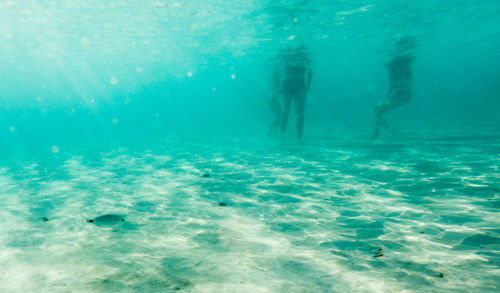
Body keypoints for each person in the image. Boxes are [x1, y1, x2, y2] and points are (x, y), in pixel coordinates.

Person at [371, 37, 416, 140]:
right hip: (404, 95)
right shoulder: (404, 68)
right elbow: (404, 83)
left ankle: (388, 130)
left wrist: (389, 96)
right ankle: (378, 130)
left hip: (400, 95)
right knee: (377, 110)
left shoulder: (397, 68)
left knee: (377, 111)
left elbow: (395, 86)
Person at [277, 46, 313, 144]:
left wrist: (307, 87)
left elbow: (310, 72)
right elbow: (278, 71)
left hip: (298, 86)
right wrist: (278, 86)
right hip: (287, 86)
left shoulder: (305, 58)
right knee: (286, 112)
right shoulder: (286, 56)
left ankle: (299, 138)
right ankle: (282, 138)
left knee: (299, 113)